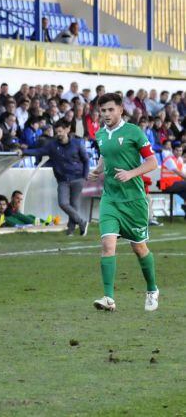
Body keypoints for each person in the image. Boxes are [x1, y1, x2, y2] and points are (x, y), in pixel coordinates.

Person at [87, 92, 159, 312]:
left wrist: (131, 173)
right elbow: (105, 155)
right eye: (103, 110)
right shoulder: (100, 134)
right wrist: (98, 169)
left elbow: (152, 162)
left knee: (139, 247)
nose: (106, 114)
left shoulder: (133, 132)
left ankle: (152, 289)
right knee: (108, 244)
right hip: (111, 198)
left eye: (110, 110)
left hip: (133, 200)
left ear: (120, 110)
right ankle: (108, 298)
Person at [22, 119, 89, 235]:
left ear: (67, 130)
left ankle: (71, 230)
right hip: (62, 180)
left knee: (74, 205)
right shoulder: (52, 146)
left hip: (78, 178)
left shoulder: (77, 144)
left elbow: (86, 160)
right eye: (56, 132)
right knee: (63, 203)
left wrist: (85, 176)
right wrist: (24, 152)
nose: (58, 134)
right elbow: (39, 151)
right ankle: (82, 222)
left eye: (60, 131)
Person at [160, 143, 186, 209]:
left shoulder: (180, 160)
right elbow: (179, 173)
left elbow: (183, 173)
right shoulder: (169, 160)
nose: (179, 152)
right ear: (173, 150)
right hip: (167, 185)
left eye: (180, 151)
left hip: (176, 184)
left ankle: (184, 207)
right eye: (177, 150)